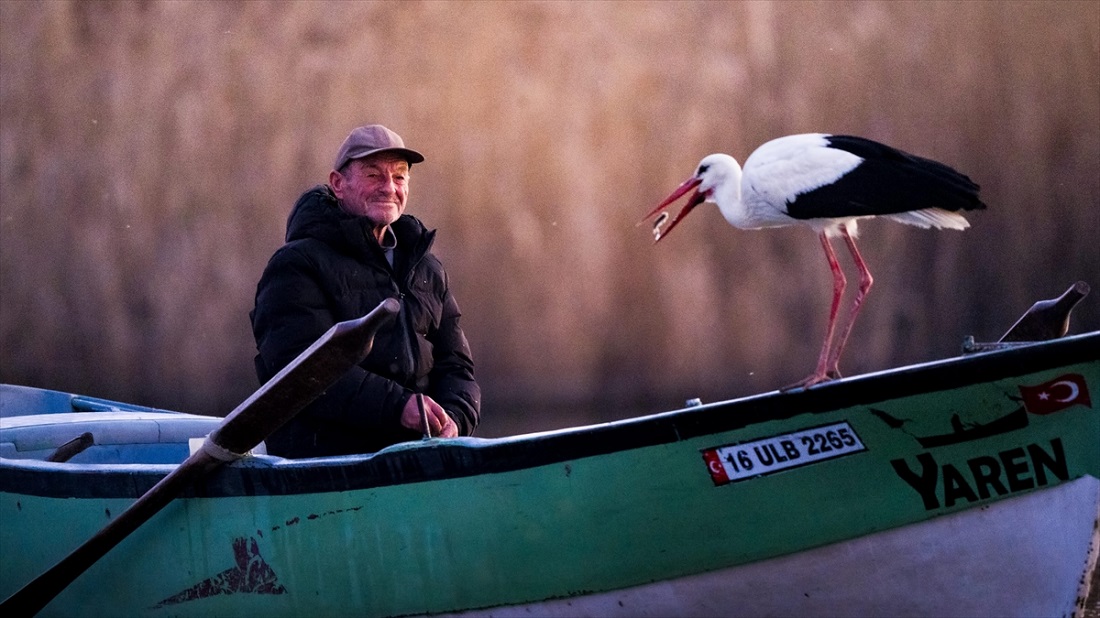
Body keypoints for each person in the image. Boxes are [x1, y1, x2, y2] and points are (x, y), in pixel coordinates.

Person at [250, 124, 480, 457]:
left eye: (399, 177)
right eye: (373, 175)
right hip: (327, 471)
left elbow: (457, 368)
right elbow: (303, 372)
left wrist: (454, 420)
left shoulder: (427, 270)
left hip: (421, 462)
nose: (389, 187)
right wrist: (400, 407)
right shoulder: (296, 266)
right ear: (338, 184)